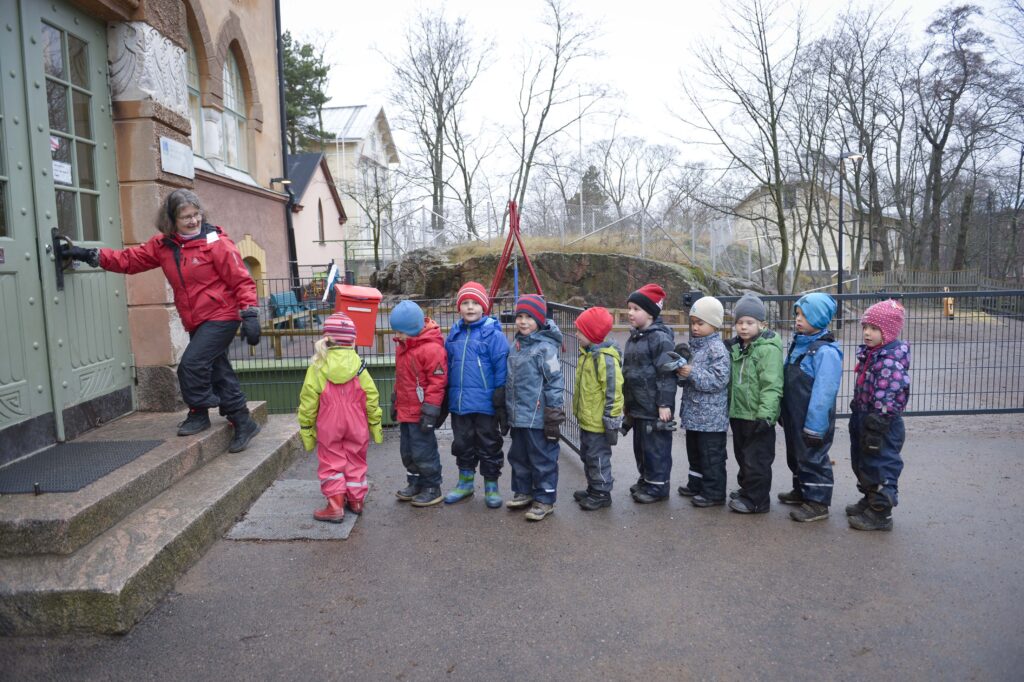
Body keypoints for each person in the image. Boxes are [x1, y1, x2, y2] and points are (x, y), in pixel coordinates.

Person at [65, 188, 261, 452]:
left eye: (196, 214)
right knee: (218, 370)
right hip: (196, 319)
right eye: (186, 217)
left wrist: (250, 313)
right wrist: (89, 255)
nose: (193, 220)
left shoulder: (216, 243)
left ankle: (199, 411)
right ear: (171, 221)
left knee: (191, 365)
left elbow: (241, 279)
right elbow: (129, 260)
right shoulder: (164, 246)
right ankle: (242, 421)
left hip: (221, 316)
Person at [297, 313, 383, 523]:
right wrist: (375, 423)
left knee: (331, 460)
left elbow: (308, 401)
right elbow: (371, 395)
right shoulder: (359, 366)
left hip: (329, 421)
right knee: (356, 457)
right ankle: (356, 500)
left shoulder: (318, 366)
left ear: (326, 339)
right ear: (352, 340)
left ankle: (335, 505)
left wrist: (307, 428)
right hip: (357, 421)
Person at [443, 281, 510, 509]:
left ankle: (491, 485)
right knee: (462, 444)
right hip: (460, 403)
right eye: (465, 303)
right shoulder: (454, 335)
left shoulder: (493, 335)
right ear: (459, 308)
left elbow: (501, 367)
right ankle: (465, 482)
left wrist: (500, 396)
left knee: (489, 444)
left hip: (485, 404)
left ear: (484, 307)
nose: (470, 307)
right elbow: (448, 365)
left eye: (475, 303)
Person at [778, 292, 843, 523]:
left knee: (813, 456)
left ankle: (818, 502)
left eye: (804, 315)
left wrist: (815, 426)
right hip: (795, 414)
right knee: (796, 454)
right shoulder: (800, 343)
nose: (798, 319)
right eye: (797, 314)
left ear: (819, 317)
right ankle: (802, 490)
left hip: (813, 418)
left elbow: (824, 392)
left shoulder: (826, 351)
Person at [847, 299, 910, 531]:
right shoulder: (873, 354)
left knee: (881, 464)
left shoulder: (889, 361)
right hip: (866, 416)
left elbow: (889, 393)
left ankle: (881, 512)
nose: (867, 333)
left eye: (874, 328)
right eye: (865, 327)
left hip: (882, 423)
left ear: (888, 331)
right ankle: (870, 498)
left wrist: (879, 419)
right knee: (863, 461)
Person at [504, 294, 565, 522]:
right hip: (518, 414)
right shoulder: (516, 345)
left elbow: (555, 381)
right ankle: (523, 491)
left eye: (529, 317)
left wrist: (554, 412)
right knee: (518, 456)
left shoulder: (546, 349)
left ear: (539, 320)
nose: (523, 321)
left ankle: (545, 498)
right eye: (519, 316)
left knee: (542, 458)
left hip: (538, 416)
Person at [724, 294, 783, 514]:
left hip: (758, 415)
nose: (743, 327)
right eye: (739, 322)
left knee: (757, 459)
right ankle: (747, 489)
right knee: (743, 456)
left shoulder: (767, 349)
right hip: (740, 413)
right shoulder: (737, 347)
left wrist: (766, 415)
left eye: (749, 322)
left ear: (762, 324)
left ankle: (757, 500)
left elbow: (772, 384)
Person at [622, 283, 677, 504]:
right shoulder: (635, 337)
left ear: (651, 313)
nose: (630, 313)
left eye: (636, 309)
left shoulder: (660, 339)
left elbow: (667, 374)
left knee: (656, 448)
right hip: (638, 405)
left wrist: (664, 404)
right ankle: (646, 479)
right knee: (641, 447)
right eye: (629, 308)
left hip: (654, 407)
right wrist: (627, 402)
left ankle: (658, 486)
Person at [390, 300, 448, 508]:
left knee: (424, 451)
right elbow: (401, 378)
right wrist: (395, 400)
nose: (397, 336)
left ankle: (432, 486)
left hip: (422, 411)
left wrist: (431, 411)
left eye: (401, 332)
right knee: (407, 450)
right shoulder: (403, 346)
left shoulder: (432, 349)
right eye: (396, 331)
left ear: (413, 328)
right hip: (406, 409)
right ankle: (414, 482)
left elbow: (437, 382)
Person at [675, 296, 731, 508]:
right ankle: (696, 484)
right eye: (693, 323)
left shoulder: (716, 349)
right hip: (695, 414)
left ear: (714, 324)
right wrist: (681, 373)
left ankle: (714, 492)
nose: (695, 328)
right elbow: (691, 377)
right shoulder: (697, 347)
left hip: (711, 418)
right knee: (695, 453)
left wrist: (691, 373)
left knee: (711, 456)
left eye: (700, 323)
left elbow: (719, 380)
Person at [570, 306, 623, 510]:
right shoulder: (587, 353)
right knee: (587, 455)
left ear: (593, 334)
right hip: (587, 419)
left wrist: (611, 419)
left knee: (598, 457)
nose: (576, 334)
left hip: (599, 422)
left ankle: (602, 493)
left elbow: (614, 390)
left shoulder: (604, 358)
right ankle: (593, 487)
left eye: (580, 331)